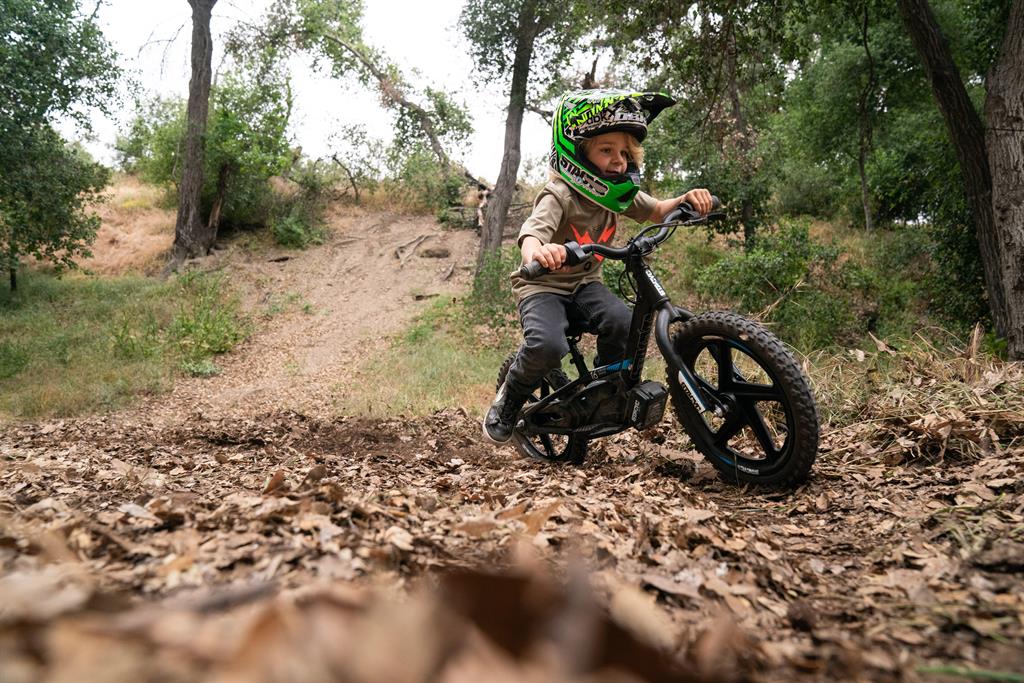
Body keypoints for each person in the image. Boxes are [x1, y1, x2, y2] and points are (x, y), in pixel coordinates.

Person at [483, 88, 713, 445]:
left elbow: (656, 210)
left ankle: (605, 390)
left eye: (625, 153)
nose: (619, 161)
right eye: (606, 150)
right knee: (547, 346)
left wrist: (686, 199)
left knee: (625, 322)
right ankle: (510, 398)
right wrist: (539, 253)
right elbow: (531, 234)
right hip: (542, 286)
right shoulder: (559, 194)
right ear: (577, 152)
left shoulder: (615, 194)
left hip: (585, 285)